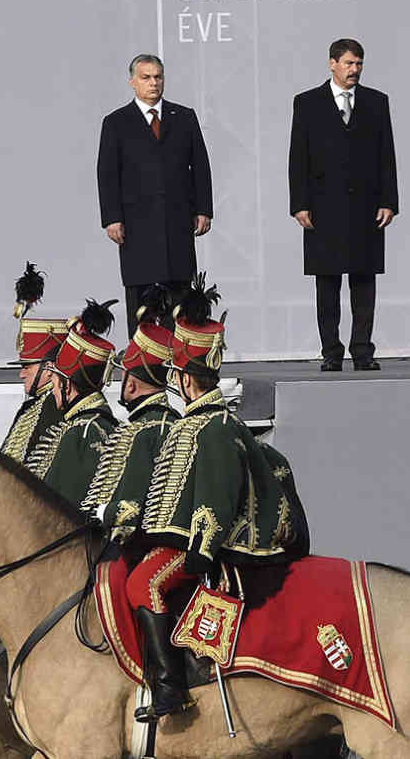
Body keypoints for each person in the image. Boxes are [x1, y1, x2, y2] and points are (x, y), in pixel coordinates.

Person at [127, 289, 309, 723]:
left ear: (186, 379)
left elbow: (215, 497)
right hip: (183, 540)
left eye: (176, 374)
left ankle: (170, 687)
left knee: (143, 585)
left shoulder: (214, 426)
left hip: (208, 547)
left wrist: (200, 551)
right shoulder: (198, 422)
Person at [288, 39, 398, 371]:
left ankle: (363, 351)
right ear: (332, 63)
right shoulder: (308, 103)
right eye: (349, 63)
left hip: (366, 206)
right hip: (324, 207)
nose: (355, 69)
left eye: (359, 63)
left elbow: (386, 155)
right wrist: (300, 203)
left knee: (364, 281)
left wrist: (388, 201)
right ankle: (331, 352)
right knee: (327, 282)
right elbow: (298, 157)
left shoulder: (376, 102)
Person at [97, 54, 214, 326]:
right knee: (141, 299)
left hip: (177, 221)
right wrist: (112, 218)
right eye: (146, 77)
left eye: (158, 77)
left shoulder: (184, 117)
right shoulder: (116, 122)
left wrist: (203, 209)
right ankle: (142, 352)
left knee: (180, 295)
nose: (153, 83)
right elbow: (107, 174)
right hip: (136, 223)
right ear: (132, 82)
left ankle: (178, 350)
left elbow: (200, 166)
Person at [83, 288, 182, 537]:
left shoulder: (147, 430)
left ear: (131, 384)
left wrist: (101, 513)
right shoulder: (165, 423)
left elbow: (135, 509)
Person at [27, 299, 120, 505]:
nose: (53, 388)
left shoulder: (80, 432)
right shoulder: (102, 424)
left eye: (54, 380)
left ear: (66, 385)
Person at [2, 262, 71, 463]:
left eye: (27, 367)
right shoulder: (34, 406)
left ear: (49, 369)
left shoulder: (54, 406)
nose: (21, 374)